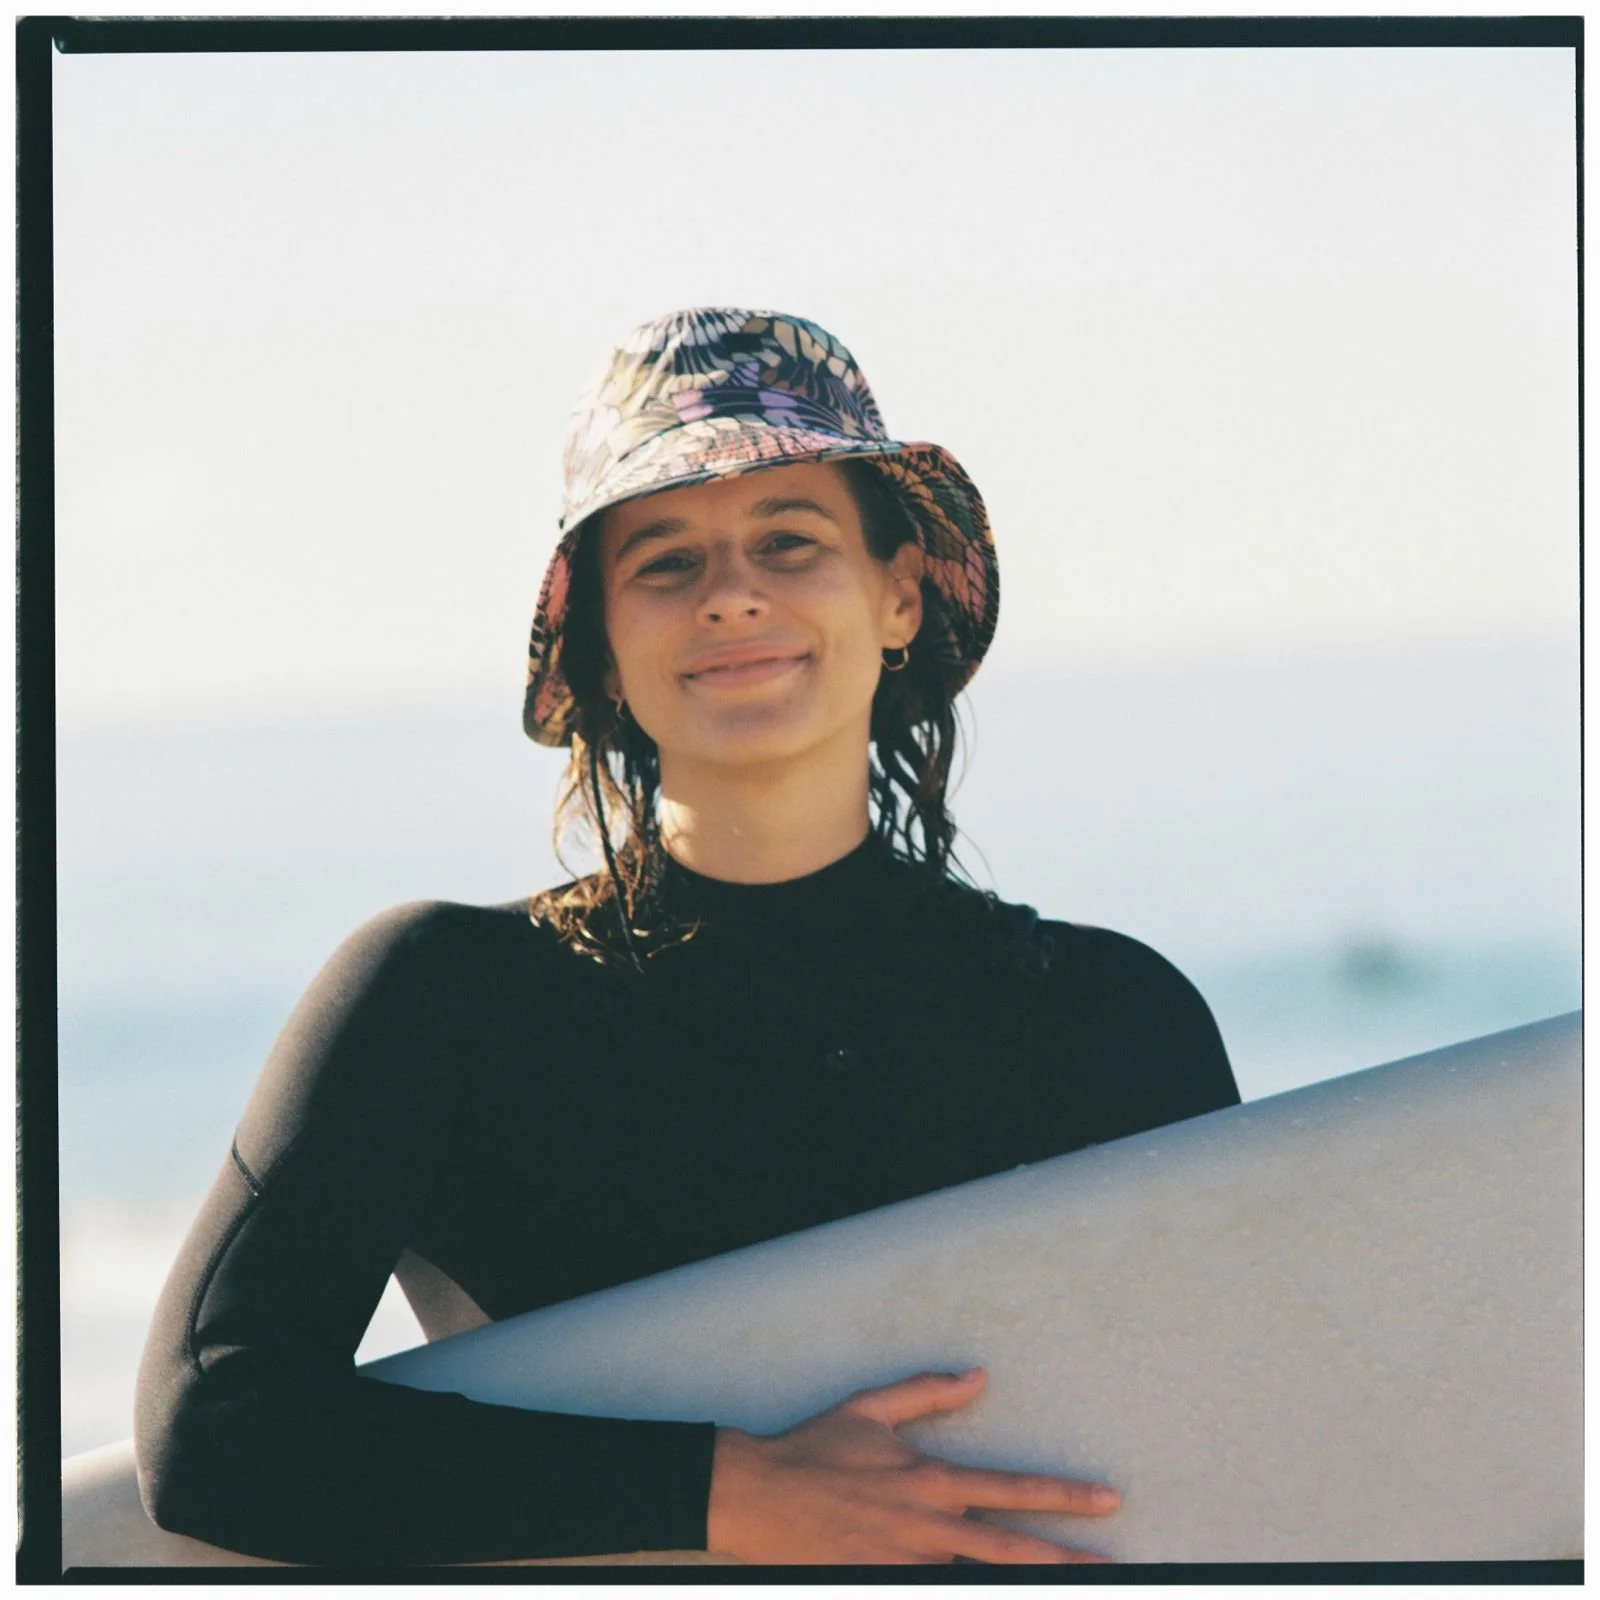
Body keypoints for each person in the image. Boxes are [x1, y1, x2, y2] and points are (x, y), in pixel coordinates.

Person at [134, 307, 1239, 1566]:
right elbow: (214, 1423)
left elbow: (1250, 1416)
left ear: (896, 596)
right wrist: (728, 1493)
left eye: (789, 540)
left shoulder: (1110, 1017)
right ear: (603, 648)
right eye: (665, 562)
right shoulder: (442, 1001)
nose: (731, 596)